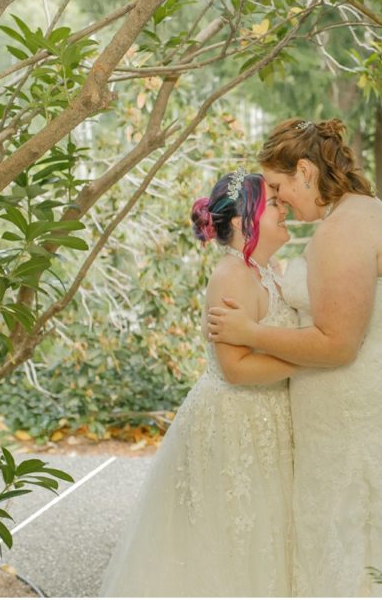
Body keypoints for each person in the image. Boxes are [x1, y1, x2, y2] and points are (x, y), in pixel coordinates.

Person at [209, 119, 382, 596]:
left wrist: (251, 331)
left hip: (364, 409)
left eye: (277, 186)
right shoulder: (362, 212)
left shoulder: (342, 231)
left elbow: (337, 344)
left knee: (363, 539)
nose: (277, 199)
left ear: (306, 172)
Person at [101, 169, 300, 596]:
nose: (284, 208)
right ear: (247, 220)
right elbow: (235, 368)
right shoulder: (231, 275)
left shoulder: (272, 270)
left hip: (270, 419)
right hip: (236, 422)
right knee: (233, 540)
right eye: (274, 204)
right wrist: (308, 360)